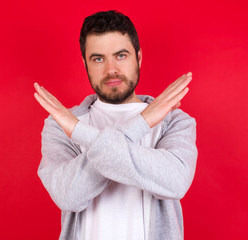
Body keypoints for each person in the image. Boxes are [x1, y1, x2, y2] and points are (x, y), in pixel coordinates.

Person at [34, 10, 197, 240]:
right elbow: (68, 196)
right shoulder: (60, 124)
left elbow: (175, 182)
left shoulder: (174, 121)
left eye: (121, 55)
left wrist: (81, 133)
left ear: (138, 58)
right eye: (98, 58)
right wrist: (142, 122)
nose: (111, 69)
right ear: (85, 64)